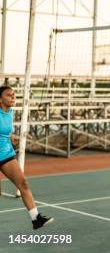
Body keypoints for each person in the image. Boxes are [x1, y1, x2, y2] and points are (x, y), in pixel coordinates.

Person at [0, 86, 54, 230]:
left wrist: (11, 137)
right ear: (0, 99)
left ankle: (36, 219)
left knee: (23, 184)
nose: (12, 97)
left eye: (14, 95)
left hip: (6, 154)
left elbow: (3, 132)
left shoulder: (9, 112)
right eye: (8, 95)